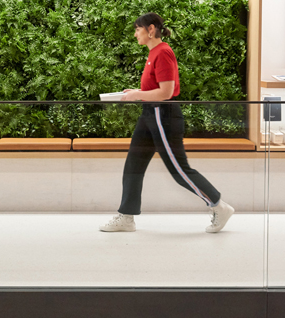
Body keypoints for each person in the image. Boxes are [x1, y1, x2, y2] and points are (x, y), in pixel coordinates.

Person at [99, 13, 235, 233]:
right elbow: (155, 89)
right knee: (134, 165)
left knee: (178, 170)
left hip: (163, 116)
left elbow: (166, 92)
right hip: (149, 114)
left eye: (137, 29)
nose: (135, 34)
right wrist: (136, 93)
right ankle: (126, 216)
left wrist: (138, 94)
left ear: (150, 29)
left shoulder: (163, 52)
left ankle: (219, 206)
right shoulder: (154, 53)